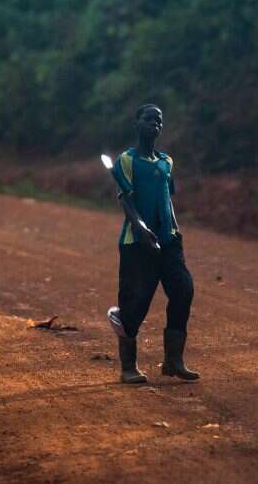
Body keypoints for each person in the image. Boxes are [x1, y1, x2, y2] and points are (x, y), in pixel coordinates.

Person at [107, 104, 200, 383]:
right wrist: (140, 227)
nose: (155, 124)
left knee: (183, 291)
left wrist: (174, 231)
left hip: (169, 241)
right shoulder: (127, 160)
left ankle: (173, 361)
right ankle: (128, 368)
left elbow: (167, 197)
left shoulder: (166, 162)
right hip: (137, 242)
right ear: (136, 123)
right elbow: (125, 198)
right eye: (149, 119)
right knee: (136, 303)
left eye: (159, 120)